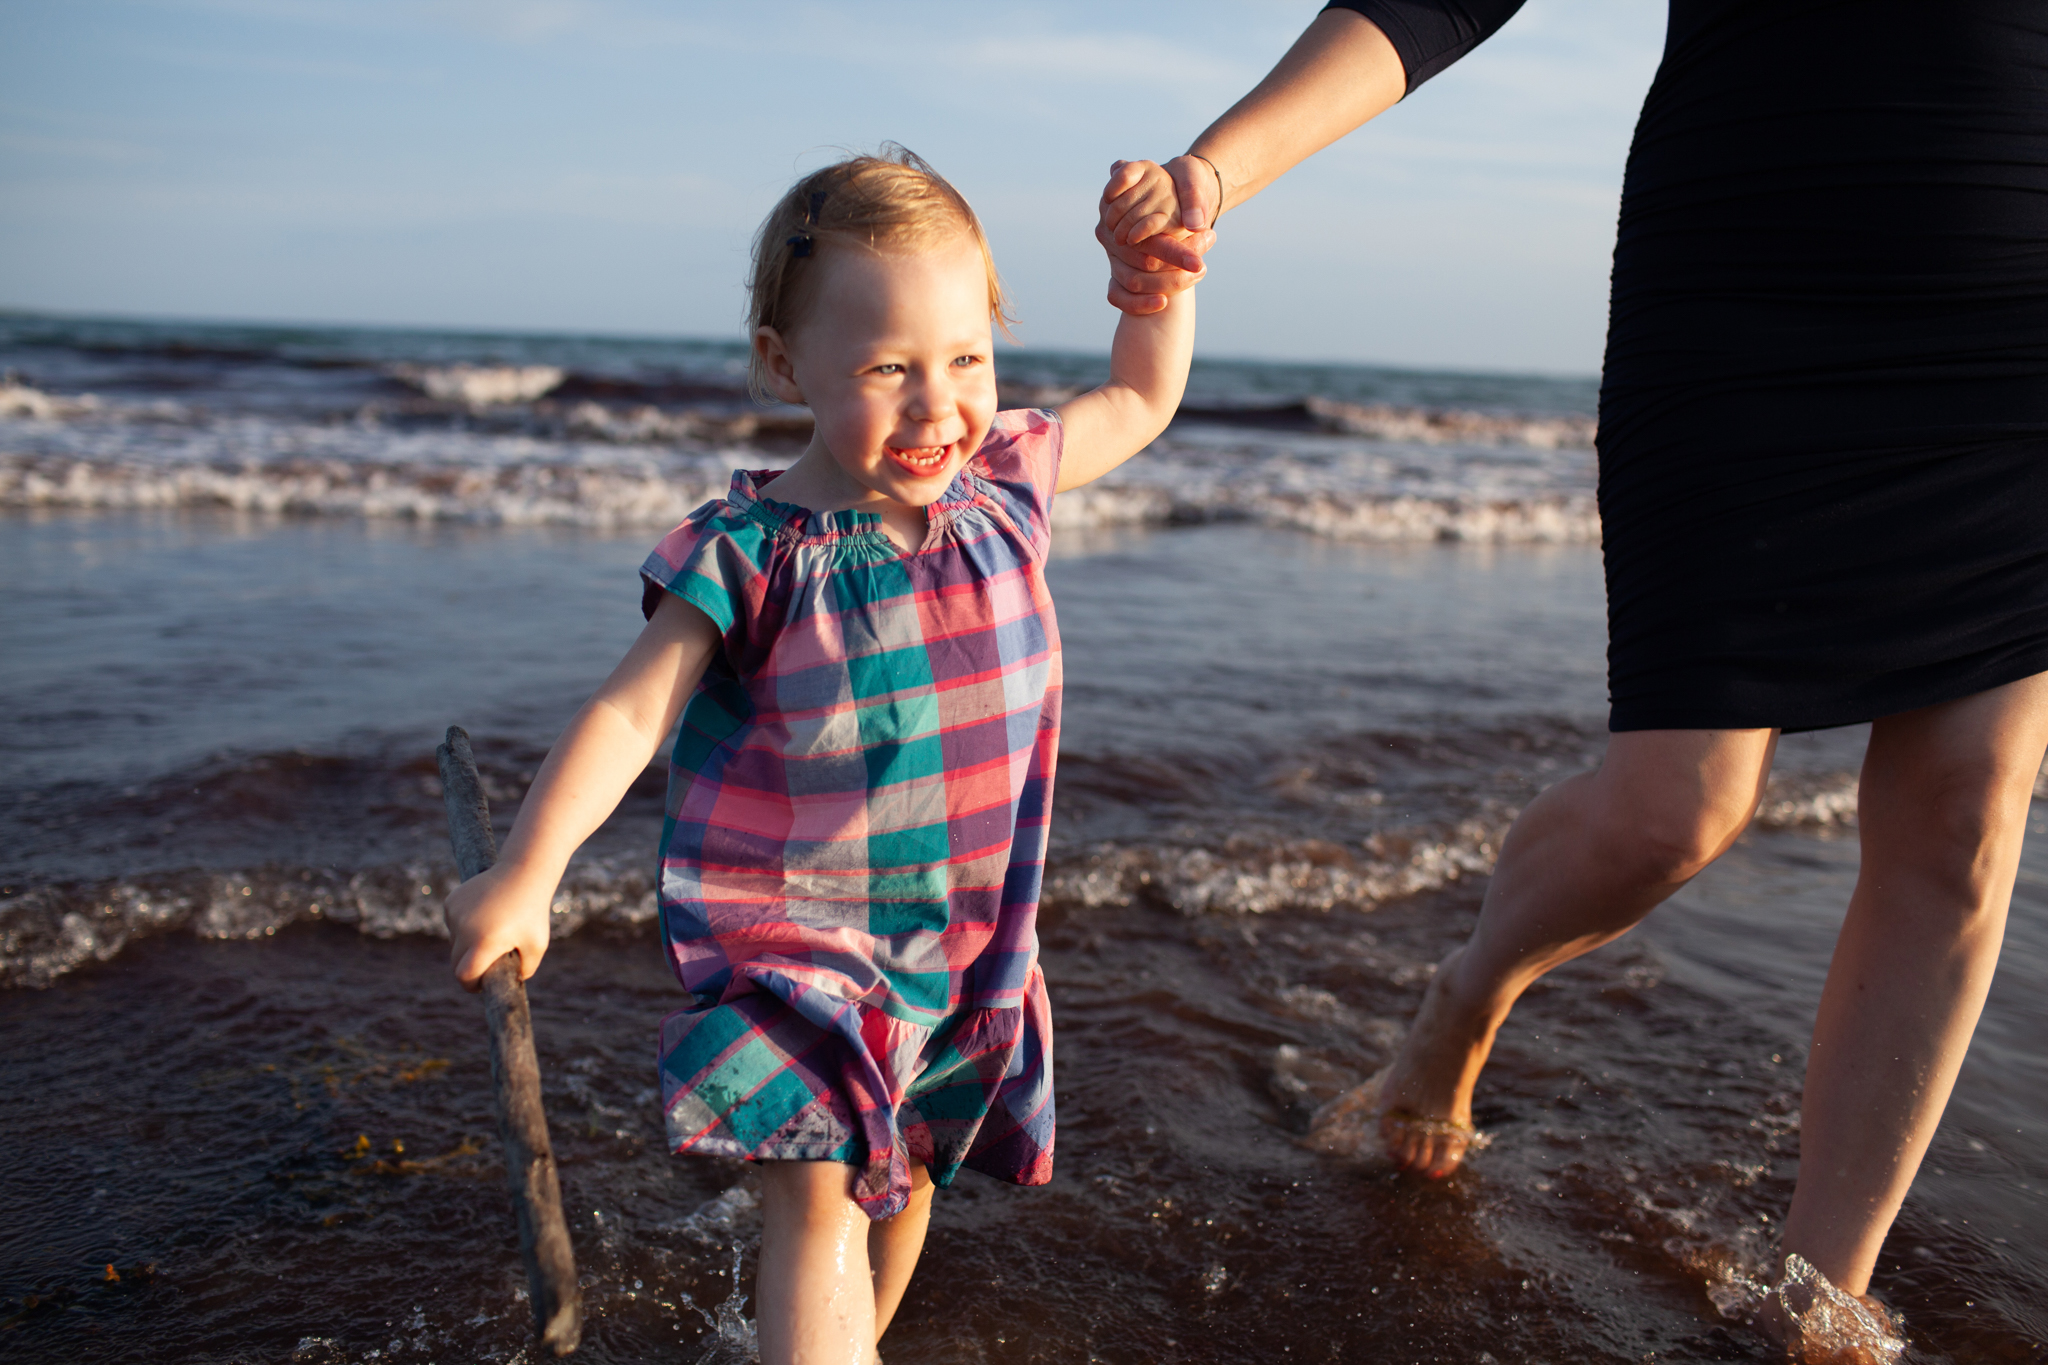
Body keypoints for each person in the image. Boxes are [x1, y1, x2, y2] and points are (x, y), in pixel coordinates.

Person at [1097, 2, 2048, 1358]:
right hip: (1744, 280)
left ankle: (1818, 1292)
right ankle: (1465, 998)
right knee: (1674, 811)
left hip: (2020, 321)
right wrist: (1219, 169)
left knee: (1962, 816)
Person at [445, 146, 1198, 1365]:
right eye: (886, 368)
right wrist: (527, 874)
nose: (938, 403)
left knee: (900, 1185)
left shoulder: (1003, 484)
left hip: (962, 936)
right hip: (791, 936)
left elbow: (1143, 397)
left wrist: (1148, 282)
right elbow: (628, 716)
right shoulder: (746, 548)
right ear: (782, 363)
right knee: (823, 1197)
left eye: (966, 359)